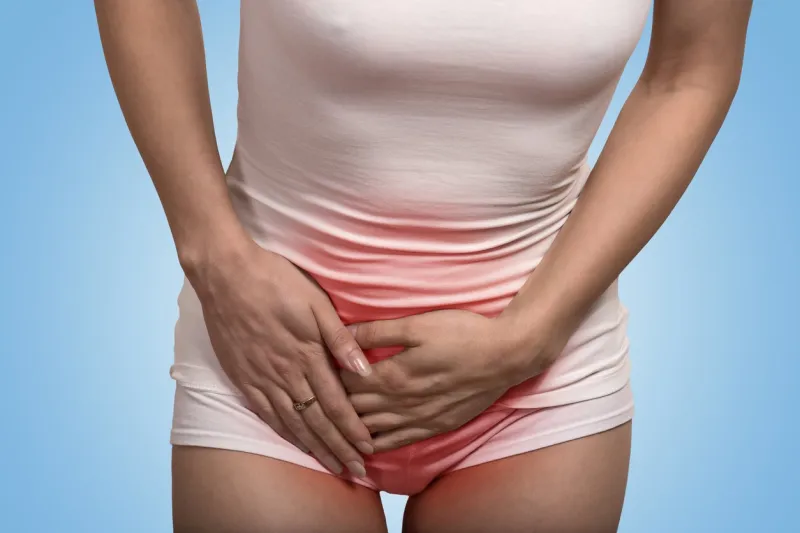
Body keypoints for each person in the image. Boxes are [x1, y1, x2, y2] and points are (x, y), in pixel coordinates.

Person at [95, 1, 752, 531]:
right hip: (272, 357)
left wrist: (531, 334)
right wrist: (215, 257)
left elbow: (689, 71)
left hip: (533, 370)